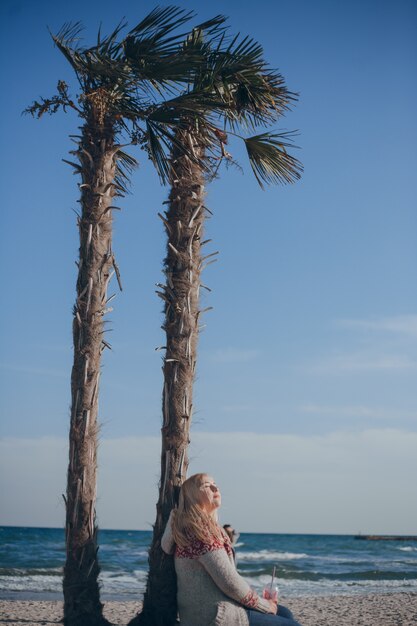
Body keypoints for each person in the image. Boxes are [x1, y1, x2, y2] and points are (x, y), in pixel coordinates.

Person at [161, 473, 302, 626]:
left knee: (285, 613)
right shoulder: (201, 531)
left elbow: (166, 546)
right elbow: (229, 582)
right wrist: (265, 605)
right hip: (216, 617)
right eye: (207, 486)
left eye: (215, 483)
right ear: (192, 496)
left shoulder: (201, 528)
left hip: (210, 611)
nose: (216, 487)